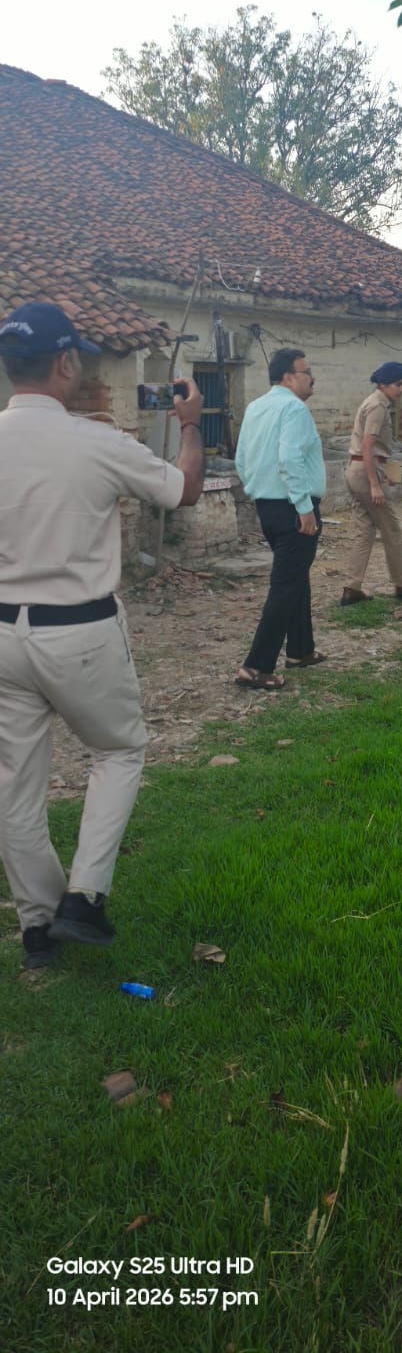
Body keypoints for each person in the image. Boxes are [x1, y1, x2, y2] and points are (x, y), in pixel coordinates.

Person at [0, 301, 205, 969]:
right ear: (65, 363)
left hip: (4, 633)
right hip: (79, 632)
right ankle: (84, 898)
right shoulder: (94, 441)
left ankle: (37, 927)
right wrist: (190, 425)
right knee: (117, 751)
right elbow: (184, 490)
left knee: (15, 788)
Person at [234, 348, 326, 691]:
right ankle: (256, 667)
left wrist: (255, 488)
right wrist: (304, 507)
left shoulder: (256, 407)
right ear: (288, 377)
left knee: (295, 576)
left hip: (268, 506)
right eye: (306, 371)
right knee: (285, 585)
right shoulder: (294, 408)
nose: (311, 378)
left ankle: (301, 650)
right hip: (293, 507)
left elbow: (241, 458)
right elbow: (289, 457)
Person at [341, 361, 402, 604]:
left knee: (365, 531)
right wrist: (374, 485)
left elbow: (382, 450)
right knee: (391, 530)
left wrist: (389, 476)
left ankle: (352, 588)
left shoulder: (376, 402)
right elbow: (368, 447)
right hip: (366, 471)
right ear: (383, 384)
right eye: (398, 384)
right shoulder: (378, 405)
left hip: (358, 470)